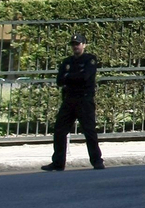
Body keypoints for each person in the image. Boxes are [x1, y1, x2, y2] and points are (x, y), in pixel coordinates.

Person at [41, 34, 103, 171]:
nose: (76, 46)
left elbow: (86, 77)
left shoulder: (90, 60)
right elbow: (59, 80)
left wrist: (69, 77)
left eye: (78, 44)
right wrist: (74, 76)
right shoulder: (67, 62)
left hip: (84, 99)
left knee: (89, 131)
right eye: (74, 44)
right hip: (69, 99)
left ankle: (97, 161)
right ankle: (58, 162)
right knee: (59, 131)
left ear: (84, 45)